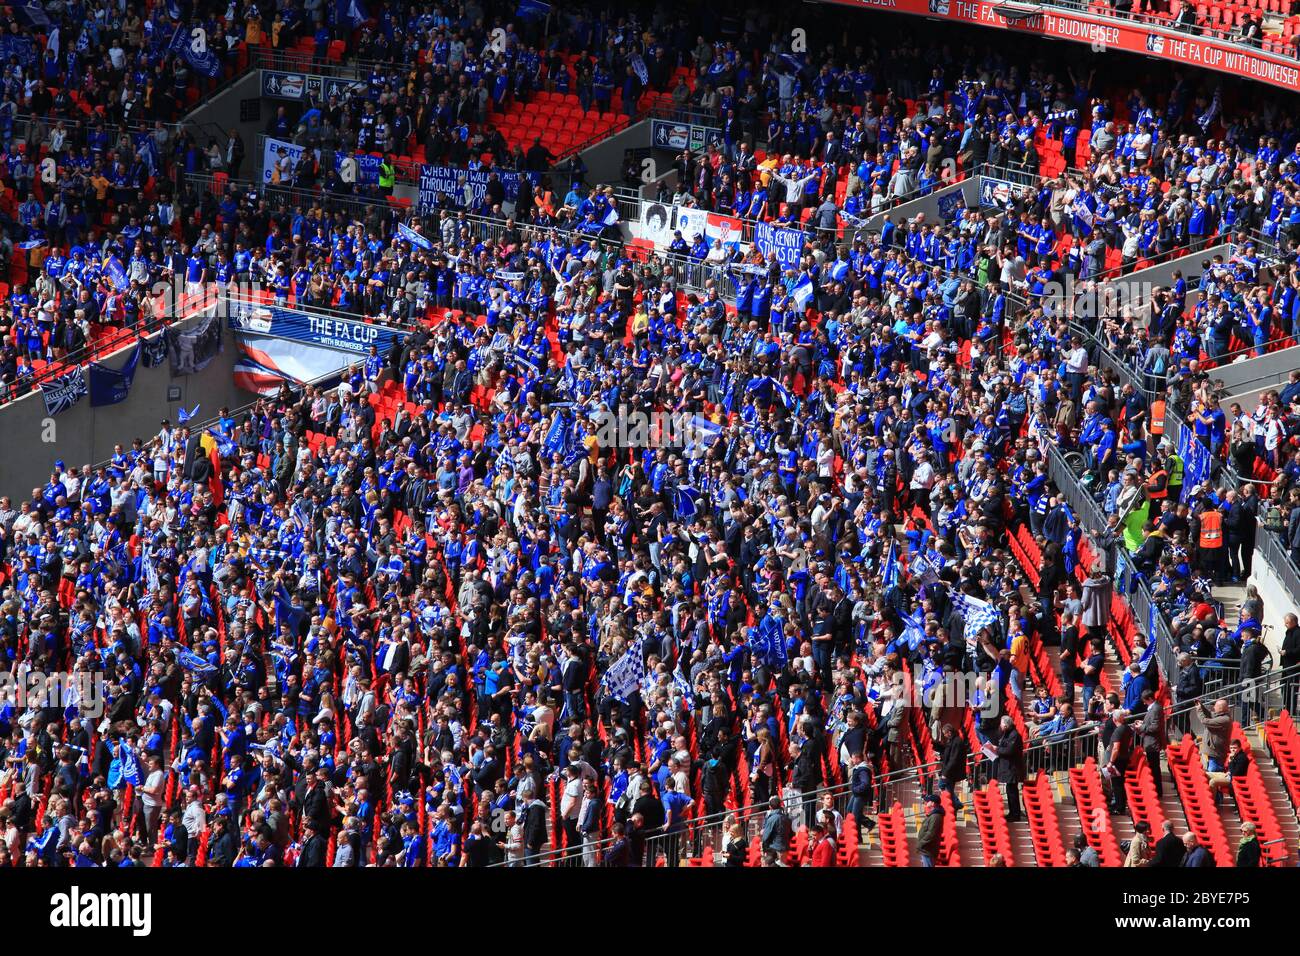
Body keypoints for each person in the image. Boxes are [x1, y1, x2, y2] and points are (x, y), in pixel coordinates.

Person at [994, 715, 1025, 822]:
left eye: (1001, 725)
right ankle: (1012, 812)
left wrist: (997, 749)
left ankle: (1015, 814)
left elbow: (1009, 750)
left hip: (1013, 768)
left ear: (1006, 726)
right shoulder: (1006, 733)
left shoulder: (1014, 735)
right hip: (1008, 767)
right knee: (1009, 791)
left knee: (1012, 792)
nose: (1000, 727)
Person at [761, 796, 793, 866]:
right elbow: (791, 834)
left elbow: (765, 837)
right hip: (785, 848)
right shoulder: (786, 818)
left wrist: (764, 849)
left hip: (774, 849)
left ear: (770, 807)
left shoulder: (771, 819)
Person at [916, 793, 944, 867]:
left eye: (928, 801)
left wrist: (921, 843)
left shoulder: (935, 817)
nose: (926, 802)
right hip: (926, 849)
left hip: (928, 849)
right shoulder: (933, 815)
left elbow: (931, 834)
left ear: (933, 803)